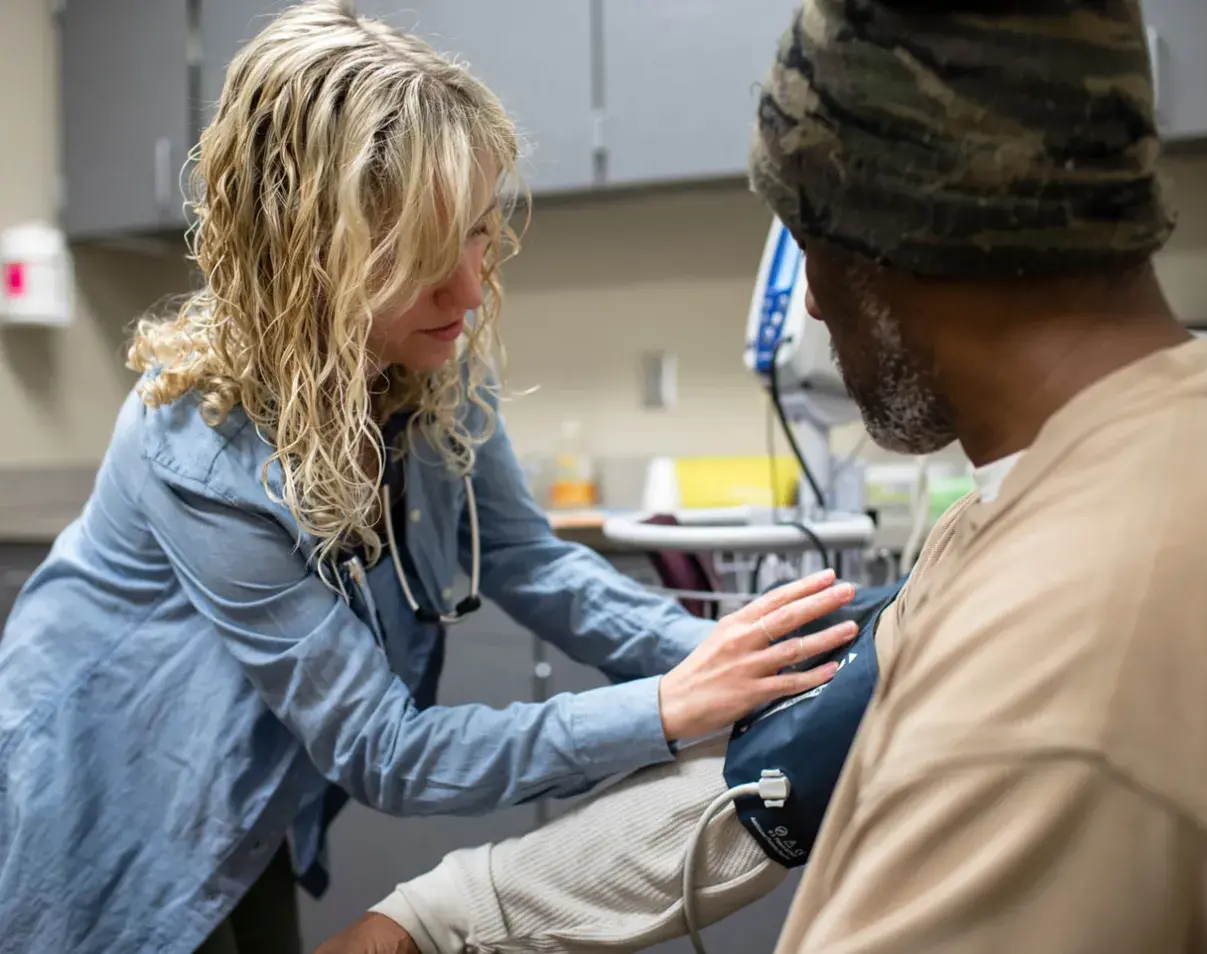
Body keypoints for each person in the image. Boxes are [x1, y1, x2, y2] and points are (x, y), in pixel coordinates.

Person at [319, 0, 1207, 952]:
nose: (810, 297)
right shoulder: (1040, 501)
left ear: (894, 234)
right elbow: (778, 779)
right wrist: (442, 915)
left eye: (809, 241)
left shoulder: (1060, 685)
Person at [0, 3, 861, 953]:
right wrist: (664, 708)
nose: (466, 288)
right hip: (98, 807)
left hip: (239, 806)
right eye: (418, 257)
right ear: (303, 259)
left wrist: (745, 661)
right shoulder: (200, 447)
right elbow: (384, 750)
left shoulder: (423, 354)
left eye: (480, 233)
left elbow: (530, 562)